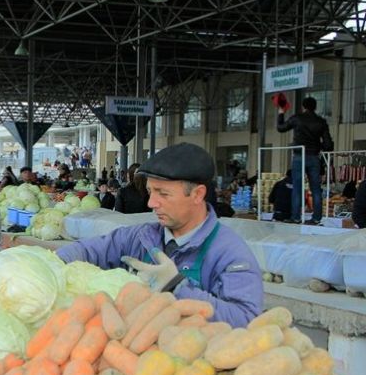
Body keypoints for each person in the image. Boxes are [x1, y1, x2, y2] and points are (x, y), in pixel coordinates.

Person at [56, 143, 263, 327]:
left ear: (197, 194)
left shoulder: (229, 252)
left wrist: (177, 287)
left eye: (163, 194)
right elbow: (87, 250)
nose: (151, 203)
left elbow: (246, 318)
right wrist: (44, 264)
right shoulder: (141, 237)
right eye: (150, 191)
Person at [277, 97, 334, 224]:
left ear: (303, 106)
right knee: (316, 189)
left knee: (297, 188)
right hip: (314, 157)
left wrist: (281, 112)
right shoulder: (321, 122)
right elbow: (328, 144)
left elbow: (280, 128)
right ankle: (316, 218)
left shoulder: (297, 118)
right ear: (315, 107)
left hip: (299, 155)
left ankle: (296, 217)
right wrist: (320, 147)